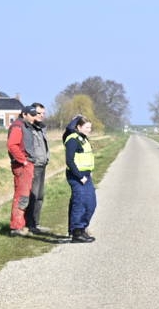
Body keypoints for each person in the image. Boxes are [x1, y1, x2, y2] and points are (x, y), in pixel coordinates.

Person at [6, 102, 54, 237]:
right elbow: (12, 145)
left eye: (35, 115)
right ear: (24, 114)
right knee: (21, 196)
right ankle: (16, 227)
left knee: (24, 196)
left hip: (27, 165)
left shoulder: (26, 125)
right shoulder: (18, 126)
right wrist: (24, 161)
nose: (34, 117)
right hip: (22, 166)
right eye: (31, 115)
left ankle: (21, 226)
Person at [63, 116, 98, 242]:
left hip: (86, 175)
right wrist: (80, 176)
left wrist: (89, 173)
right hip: (77, 177)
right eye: (87, 127)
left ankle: (82, 228)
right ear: (78, 127)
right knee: (80, 204)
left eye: (90, 127)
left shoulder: (83, 138)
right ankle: (76, 232)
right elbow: (69, 161)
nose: (89, 130)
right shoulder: (72, 140)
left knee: (91, 204)